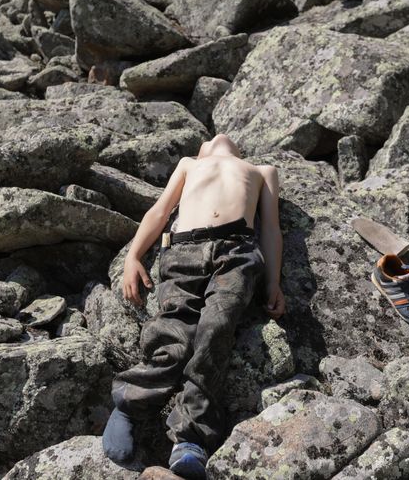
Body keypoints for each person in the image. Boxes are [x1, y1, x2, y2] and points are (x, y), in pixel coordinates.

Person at [102, 133, 284, 479]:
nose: (219, 135)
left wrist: (273, 281)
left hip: (237, 252)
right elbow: (160, 210)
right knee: (174, 332)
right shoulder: (189, 164)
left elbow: (271, 230)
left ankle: (190, 438)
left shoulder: (262, 170)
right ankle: (129, 405)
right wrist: (133, 257)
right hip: (183, 249)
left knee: (216, 330)